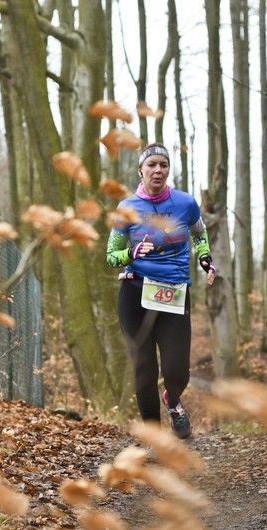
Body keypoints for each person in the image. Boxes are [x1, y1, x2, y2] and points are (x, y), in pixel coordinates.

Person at [106, 143, 215, 439]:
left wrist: (205, 257)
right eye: (151, 165)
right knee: (144, 370)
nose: (158, 170)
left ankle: (173, 400)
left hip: (174, 292)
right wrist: (131, 253)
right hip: (135, 293)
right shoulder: (126, 208)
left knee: (177, 370)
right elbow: (111, 256)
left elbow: (199, 233)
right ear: (140, 171)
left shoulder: (186, 203)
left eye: (163, 165)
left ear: (168, 170)